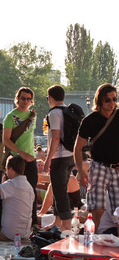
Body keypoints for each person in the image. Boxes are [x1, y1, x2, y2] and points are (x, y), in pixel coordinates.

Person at [74, 83, 119, 233]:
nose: (112, 103)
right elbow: (77, 148)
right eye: (108, 100)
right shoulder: (89, 120)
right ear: (99, 101)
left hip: (117, 168)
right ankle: (91, 242)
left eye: (114, 99)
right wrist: (80, 172)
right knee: (96, 210)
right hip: (99, 166)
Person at [3, 87, 38, 228]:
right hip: (16, 158)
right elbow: (6, 140)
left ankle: (33, 222)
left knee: (32, 190)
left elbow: (31, 135)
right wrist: (20, 153)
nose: (25, 101)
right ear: (17, 99)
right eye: (23, 98)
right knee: (14, 190)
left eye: (28, 99)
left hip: (31, 158)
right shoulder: (10, 117)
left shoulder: (32, 115)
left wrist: (33, 152)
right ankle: (13, 221)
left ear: (31, 101)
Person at [43, 85, 75, 231]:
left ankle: (66, 224)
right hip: (70, 155)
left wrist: (48, 159)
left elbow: (55, 137)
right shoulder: (68, 111)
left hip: (60, 157)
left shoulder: (54, 113)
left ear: (50, 97)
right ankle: (57, 221)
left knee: (60, 191)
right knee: (58, 189)